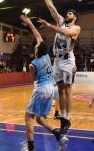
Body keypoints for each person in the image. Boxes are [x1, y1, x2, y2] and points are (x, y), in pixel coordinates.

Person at [36, 0, 81, 133]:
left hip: (68, 61)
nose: (67, 14)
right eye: (67, 13)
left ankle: (68, 118)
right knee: (60, 90)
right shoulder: (61, 21)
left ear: (74, 17)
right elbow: (51, 7)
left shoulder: (76, 27)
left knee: (67, 89)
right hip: (57, 60)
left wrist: (49, 26)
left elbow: (67, 33)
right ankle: (63, 118)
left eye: (70, 13)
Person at [20, 15, 68, 151]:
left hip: (41, 89)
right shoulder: (47, 55)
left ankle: (30, 147)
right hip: (51, 89)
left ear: (37, 51)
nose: (35, 45)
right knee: (40, 119)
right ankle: (59, 136)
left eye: (36, 46)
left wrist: (29, 22)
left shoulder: (32, 64)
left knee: (29, 117)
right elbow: (38, 35)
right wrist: (29, 22)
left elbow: (33, 79)